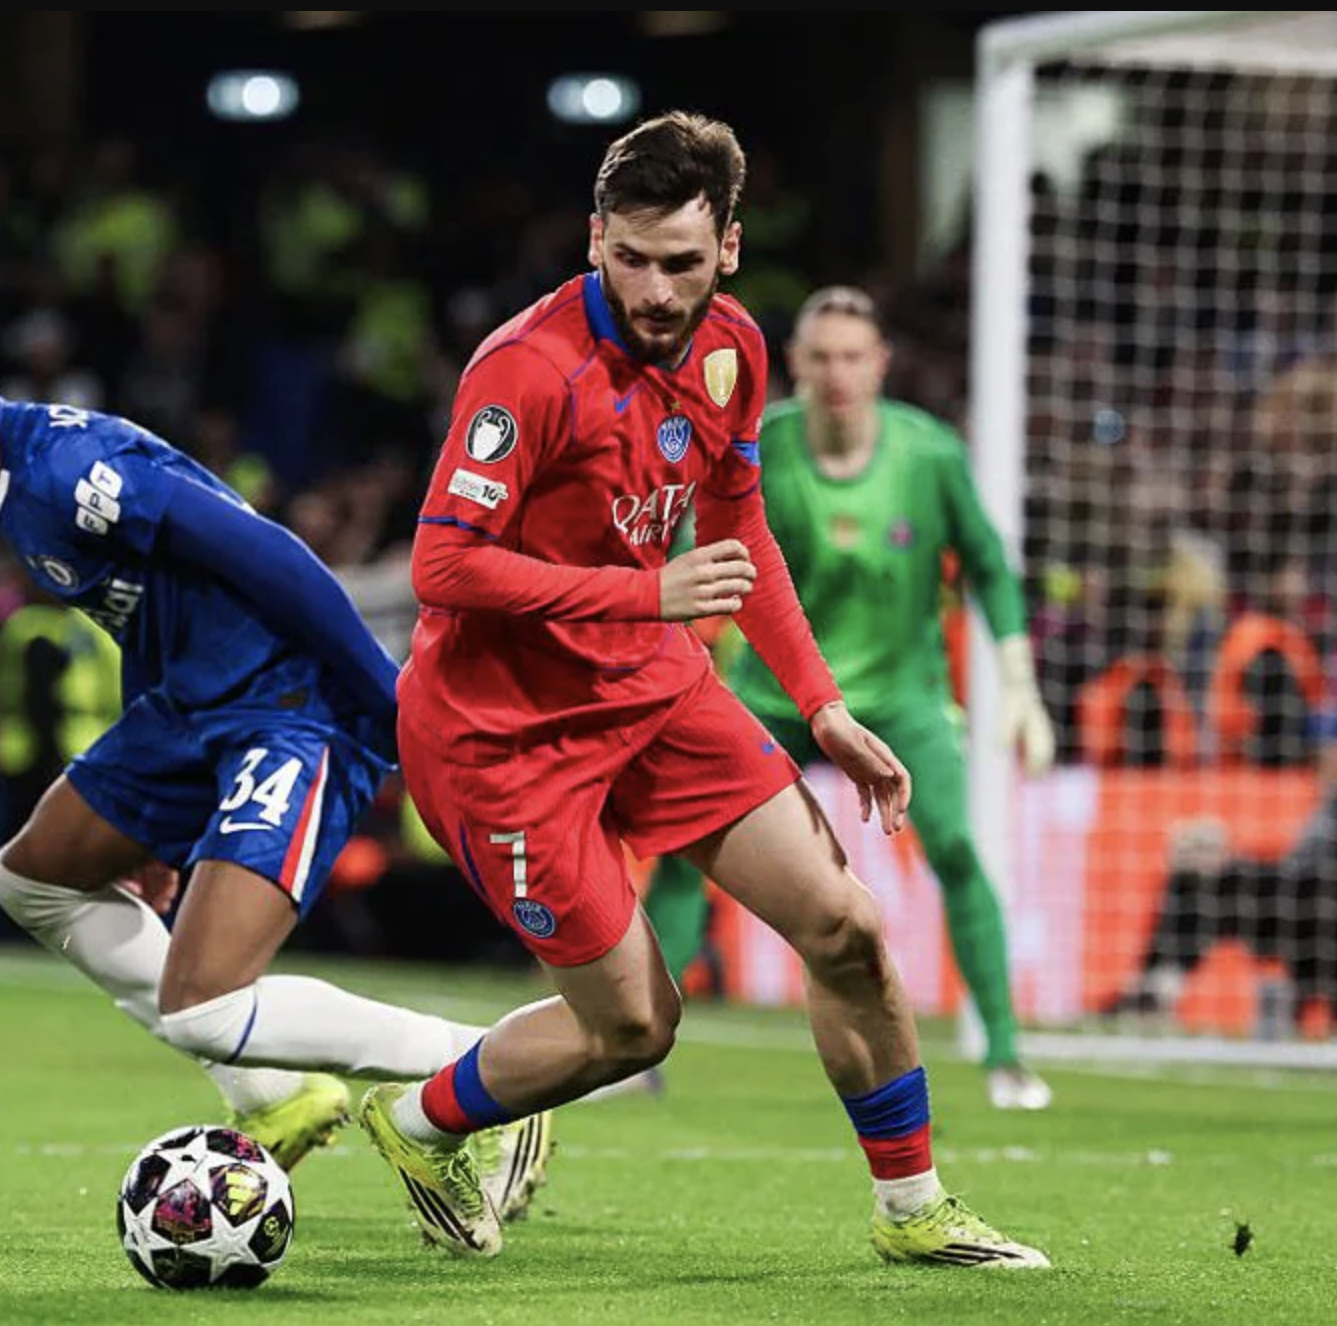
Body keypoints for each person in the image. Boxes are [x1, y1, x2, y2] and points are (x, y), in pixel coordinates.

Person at [359, 111, 1048, 1268]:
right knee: (633, 1027)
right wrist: (645, 595)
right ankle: (424, 1124)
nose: (656, 290)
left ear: (728, 247)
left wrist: (820, 701)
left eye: (682, 262)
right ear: (594, 239)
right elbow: (443, 564)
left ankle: (914, 1207)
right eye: (629, 258)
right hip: (501, 734)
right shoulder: (526, 372)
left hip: (647, 690)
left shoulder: (734, 350)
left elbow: (740, 532)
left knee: (846, 929)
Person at [0, 292, 551, 1215]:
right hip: (194, 710)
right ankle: (278, 1095)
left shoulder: (68, 470)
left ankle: (484, 1074)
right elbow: (146, 619)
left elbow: (273, 556)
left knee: (202, 1003)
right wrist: (152, 818)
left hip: (290, 709)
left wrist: (391, 708)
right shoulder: (14, 489)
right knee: (29, 879)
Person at [642, 285, 1057, 1111]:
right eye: (821, 356)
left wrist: (1018, 680)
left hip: (902, 699)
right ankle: (637, 1042)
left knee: (958, 851)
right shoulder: (758, 444)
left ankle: (1006, 1054)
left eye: (852, 357)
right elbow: (689, 558)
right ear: (793, 364)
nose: (836, 373)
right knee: (687, 855)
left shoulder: (930, 455)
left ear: (881, 366)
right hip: (773, 692)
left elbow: (988, 567)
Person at [1100, 709, 1337, 1038]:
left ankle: (1157, 985)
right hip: (1301, 902)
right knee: (1197, 878)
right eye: (1319, 750)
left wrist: (1239, 866)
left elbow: (1336, 879)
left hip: (1328, 916)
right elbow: (1301, 867)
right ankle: (1157, 983)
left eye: (1330, 749)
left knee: (1214, 881)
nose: (1321, 760)